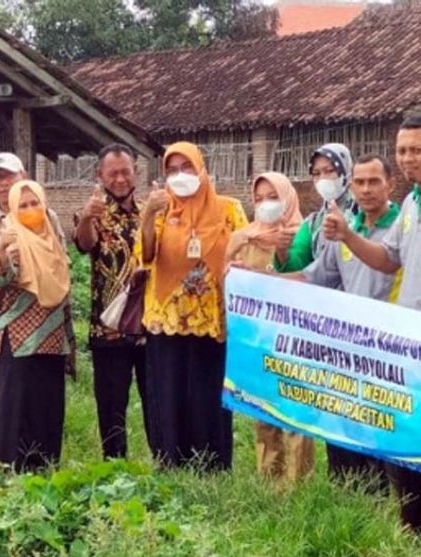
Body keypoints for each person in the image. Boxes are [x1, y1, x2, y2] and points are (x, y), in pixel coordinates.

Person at [323, 115, 421, 553]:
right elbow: (390, 260)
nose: (408, 158)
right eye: (402, 150)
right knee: (405, 439)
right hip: (405, 341)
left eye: (417, 150)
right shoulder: (412, 204)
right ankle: (411, 524)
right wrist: (348, 235)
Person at [139, 142, 247, 471]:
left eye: (187, 167)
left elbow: (243, 257)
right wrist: (148, 215)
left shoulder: (229, 209)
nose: (180, 175)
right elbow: (144, 256)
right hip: (166, 319)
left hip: (212, 319)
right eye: (172, 169)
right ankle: (170, 461)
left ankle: (211, 465)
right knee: (169, 391)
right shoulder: (161, 210)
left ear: (202, 169)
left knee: (207, 393)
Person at [0, 152, 66, 482]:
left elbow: (60, 268)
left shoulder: (49, 221)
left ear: (24, 176)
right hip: (4, 331)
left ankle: (41, 467)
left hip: (47, 332)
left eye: (10, 176)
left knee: (40, 400)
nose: (4, 183)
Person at [299, 154, 400, 486]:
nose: (366, 189)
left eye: (374, 181)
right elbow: (315, 279)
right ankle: (348, 499)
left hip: (390, 352)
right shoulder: (344, 229)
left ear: (391, 184)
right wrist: (256, 278)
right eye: (360, 182)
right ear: (350, 186)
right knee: (344, 438)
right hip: (346, 351)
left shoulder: (403, 228)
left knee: (385, 437)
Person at [226, 171, 314, 480]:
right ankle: (268, 479)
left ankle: (297, 482)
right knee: (263, 408)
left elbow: (308, 280)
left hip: (294, 335)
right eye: (259, 198)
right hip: (257, 335)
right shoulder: (248, 232)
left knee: (295, 411)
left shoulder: (304, 232)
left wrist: (278, 253)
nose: (266, 205)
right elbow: (221, 271)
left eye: (273, 197)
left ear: (288, 197)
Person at [0, 180, 74, 473]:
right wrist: (2, 260)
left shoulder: (53, 240)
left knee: (47, 410)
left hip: (51, 341)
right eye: (22, 205)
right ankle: (12, 476)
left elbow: (64, 294)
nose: (30, 209)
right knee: (16, 412)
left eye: (34, 202)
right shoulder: (10, 241)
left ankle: (45, 471)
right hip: (18, 342)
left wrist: (71, 343)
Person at [72, 143, 148, 460]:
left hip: (149, 328)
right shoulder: (91, 214)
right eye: (112, 173)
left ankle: (166, 460)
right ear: (100, 175)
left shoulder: (150, 213)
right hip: (108, 329)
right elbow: (84, 244)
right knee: (111, 404)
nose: (120, 179)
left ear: (136, 173)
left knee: (155, 398)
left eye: (125, 171)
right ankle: (115, 467)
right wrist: (88, 218)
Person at [275, 143, 354, 273]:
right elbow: (298, 263)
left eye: (329, 171)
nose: (322, 179)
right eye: (316, 173)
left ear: (346, 172)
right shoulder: (313, 223)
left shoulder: (364, 214)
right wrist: (282, 252)